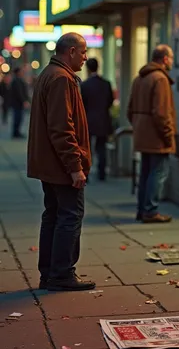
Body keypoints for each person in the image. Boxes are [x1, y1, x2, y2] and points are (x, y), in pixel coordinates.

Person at [27, 32, 95, 291]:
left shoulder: (50, 74)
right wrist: (75, 167)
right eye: (84, 51)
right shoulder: (61, 79)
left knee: (53, 215)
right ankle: (62, 274)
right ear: (71, 52)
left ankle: (50, 273)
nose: (86, 57)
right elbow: (61, 128)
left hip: (50, 165)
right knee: (69, 216)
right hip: (61, 167)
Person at [127, 45, 175, 224]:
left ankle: (142, 209)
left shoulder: (139, 79)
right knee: (158, 172)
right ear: (164, 59)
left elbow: (129, 110)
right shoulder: (160, 79)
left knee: (146, 173)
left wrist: (140, 126)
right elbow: (161, 113)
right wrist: (169, 136)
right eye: (171, 58)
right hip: (156, 136)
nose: (172, 62)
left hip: (142, 134)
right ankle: (151, 210)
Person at [80, 58, 114, 181]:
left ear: (88, 69)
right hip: (103, 119)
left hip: (88, 120)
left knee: (86, 149)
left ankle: (86, 173)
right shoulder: (106, 84)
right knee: (102, 148)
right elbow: (110, 101)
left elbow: (82, 104)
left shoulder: (85, 85)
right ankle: (102, 173)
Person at [10, 67, 29, 139]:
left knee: (19, 118)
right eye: (21, 71)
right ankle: (16, 133)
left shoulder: (17, 80)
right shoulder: (16, 81)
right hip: (17, 104)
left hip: (18, 103)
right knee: (17, 118)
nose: (22, 72)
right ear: (18, 72)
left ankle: (16, 132)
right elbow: (19, 92)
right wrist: (24, 101)